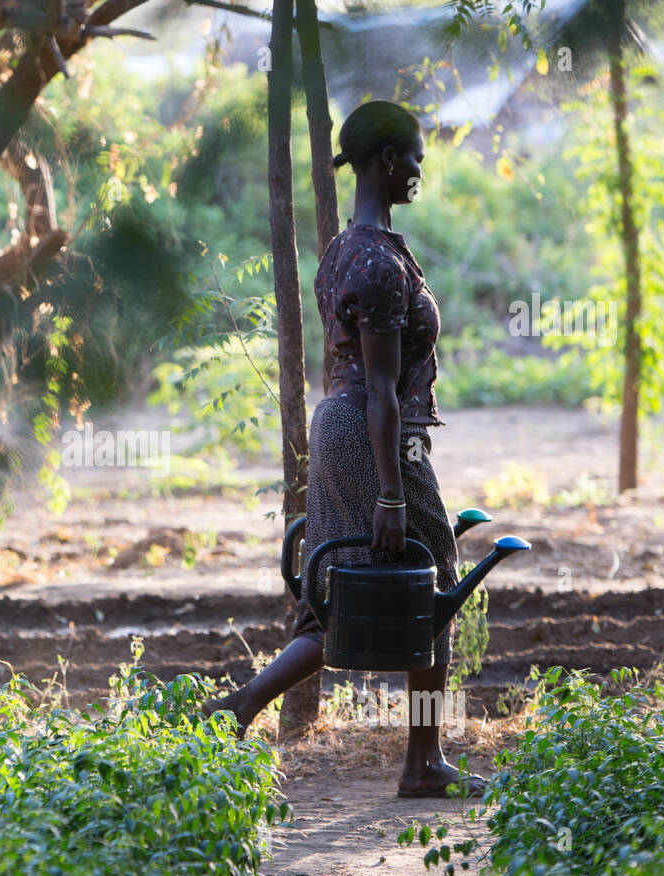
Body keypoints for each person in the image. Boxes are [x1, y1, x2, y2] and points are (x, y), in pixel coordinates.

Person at [203, 101, 485, 799]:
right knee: (434, 583)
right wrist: (392, 492)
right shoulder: (378, 263)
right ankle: (423, 759)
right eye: (414, 156)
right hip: (374, 434)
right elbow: (384, 389)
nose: (420, 169)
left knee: (339, 593)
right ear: (387, 159)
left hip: (339, 426)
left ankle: (236, 707)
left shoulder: (349, 249)